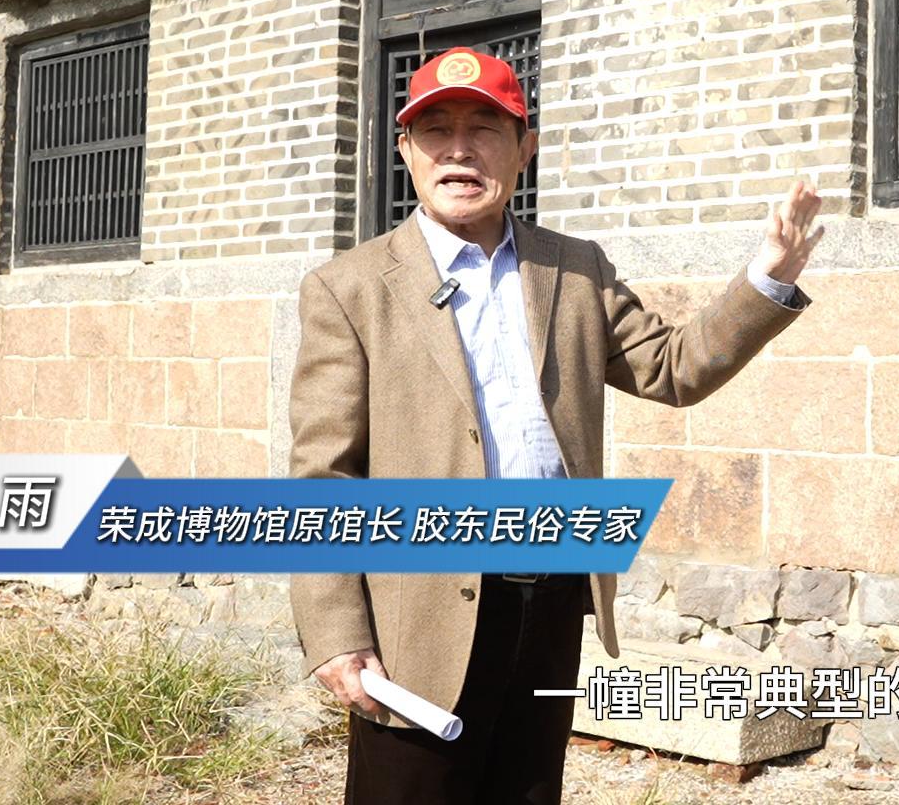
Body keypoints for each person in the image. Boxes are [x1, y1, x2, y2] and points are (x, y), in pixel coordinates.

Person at [287, 45, 824, 805]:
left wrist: (768, 276)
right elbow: (324, 474)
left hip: (551, 596)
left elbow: (675, 368)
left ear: (524, 148)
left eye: (485, 129)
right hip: (420, 611)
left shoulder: (574, 269)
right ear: (406, 151)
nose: (459, 151)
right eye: (436, 130)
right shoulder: (349, 288)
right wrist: (338, 632)